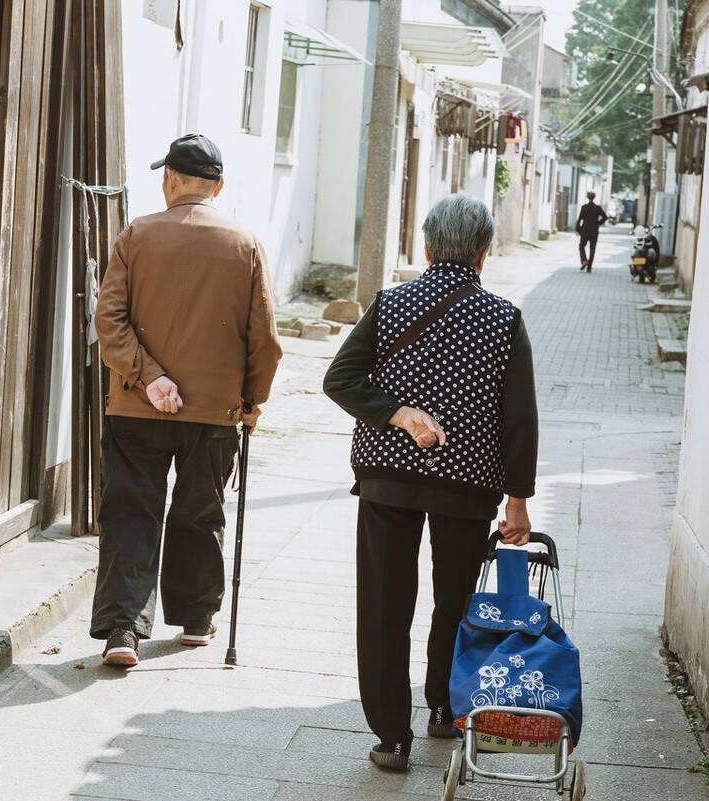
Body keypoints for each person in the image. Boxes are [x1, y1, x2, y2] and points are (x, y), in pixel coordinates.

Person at [324, 194, 539, 771]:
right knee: (457, 602)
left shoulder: (392, 303)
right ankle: (444, 709)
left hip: (388, 480)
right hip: (467, 487)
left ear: (426, 246)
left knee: (385, 607)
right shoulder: (503, 318)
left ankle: (393, 736)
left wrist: (397, 414)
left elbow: (339, 378)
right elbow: (519, 419)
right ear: (484, 253)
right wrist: (518, 501)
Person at [91, 133, 283, 667]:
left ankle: (123, 630)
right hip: (215, 409)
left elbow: (109, 320)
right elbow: (264, 339)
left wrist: (148, 376)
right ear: (218, 186)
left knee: (132, 510)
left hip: (135, 405)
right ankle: (196, 618)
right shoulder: (244, 244)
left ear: (169, 180)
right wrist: (252, 400)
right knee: (200, 509)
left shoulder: (137, 235)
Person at [575, 190, 608, 272]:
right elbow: (605, 217)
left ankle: (584, 260)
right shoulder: (597, 208)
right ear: (594, 197)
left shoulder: (584, 207)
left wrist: (578, 230)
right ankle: (589, 267)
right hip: (594, 231)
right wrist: (598, 223)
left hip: (585, 230)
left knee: (581, 246)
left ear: (587, 197)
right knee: (592, 249)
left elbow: (579, 220)